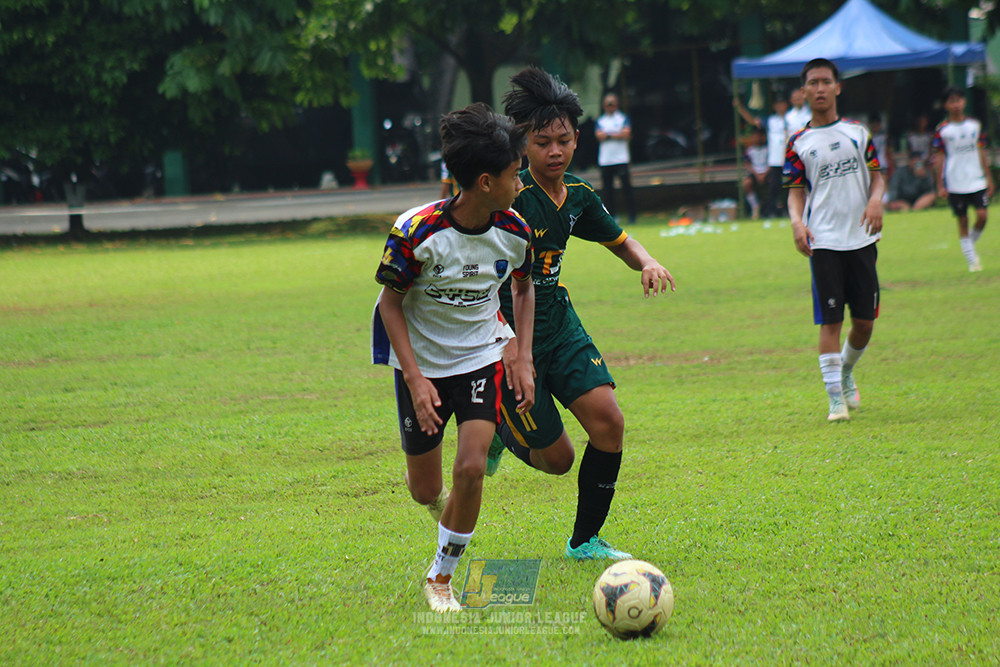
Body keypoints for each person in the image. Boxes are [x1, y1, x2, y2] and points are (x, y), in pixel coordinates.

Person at [489, 66, 676, 560]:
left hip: (558, 321)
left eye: (564, 140)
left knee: (609, 423)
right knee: (557, 461)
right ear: (523, 144)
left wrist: (648, 260)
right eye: (543, 141)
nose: (555, 151)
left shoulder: (578, 196)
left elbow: (620, 240)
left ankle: (584, 541)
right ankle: (496, 429)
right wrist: (512, 349)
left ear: (577, 140)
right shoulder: (508, 200)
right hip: (507, 336)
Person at [372, 103, 536, 612]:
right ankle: (432, 498)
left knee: (470, 469)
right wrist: (416, 380)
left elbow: (525, 289)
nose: (522, 183)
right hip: (421, 364)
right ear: (485, 181)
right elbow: (389, 304)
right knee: (426, 490)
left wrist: (522, 355)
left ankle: (440, 578)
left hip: (480, 360)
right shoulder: (417, 232)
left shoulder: (515, 230)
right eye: (515, 173)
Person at [784, 58, 885, 422]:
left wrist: (875, 200)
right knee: (830, 322)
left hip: (861, 238)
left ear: (837, 87)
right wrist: (797, 222)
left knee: (865, 323)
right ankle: (834, 400)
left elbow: (878, 176)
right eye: (813, 82)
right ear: (804, 90)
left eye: (826, 81)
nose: (820, 88)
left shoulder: (859, 133)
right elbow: (795, 191)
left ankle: (844, 371)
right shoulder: (798, 142)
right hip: (823, 241)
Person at [931, 86, 994, 272]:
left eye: (958, 100)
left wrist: (989, 178)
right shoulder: (943, 130)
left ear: (964, 102)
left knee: (982, 216)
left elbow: (981, 151)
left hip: (976, 179)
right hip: (955, 182)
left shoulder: (975, 126)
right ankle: (972, 261)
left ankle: (969, 247)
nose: (956, 104)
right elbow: (940, 158)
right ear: (946, 105)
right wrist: (940, 183)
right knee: (963, 219)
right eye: (952, 101)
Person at [735, 92, 791, 218]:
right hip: (776, 159)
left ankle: (790, 210)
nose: (780, 107)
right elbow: (753, 121)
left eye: (783, 104)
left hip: (791, 157)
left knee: (794, 185)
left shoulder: (793, 118)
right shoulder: (771, 120)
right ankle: (772, 211)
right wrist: (740, 108)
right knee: (774, 186)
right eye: (778, 105)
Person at [594, 93, 637, 224]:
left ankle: (632, 215)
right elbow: (599, 136)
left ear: (616, 105)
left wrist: (608, 135)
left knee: (626, 188)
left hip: (621, 159)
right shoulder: (601, 120)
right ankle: (611, 216)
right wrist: (617, 134)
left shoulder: (623, 118)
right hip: (606, 160)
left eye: (612, 104)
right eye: (608, 104)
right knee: (607, 190)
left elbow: (627, 133)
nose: (610, 107)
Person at [741, 126, 769, 219]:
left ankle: (773, 206)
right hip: (755, 173)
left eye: (758, 136)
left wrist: (764, 174)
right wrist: (757, 175)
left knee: (776, 183)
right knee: (746, 183)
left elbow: (771, 163)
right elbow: (747, 164)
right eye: (754, 136)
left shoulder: (767, 149)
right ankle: (755, 206)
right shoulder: (749, 150)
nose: (756, 138)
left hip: (767, 173)